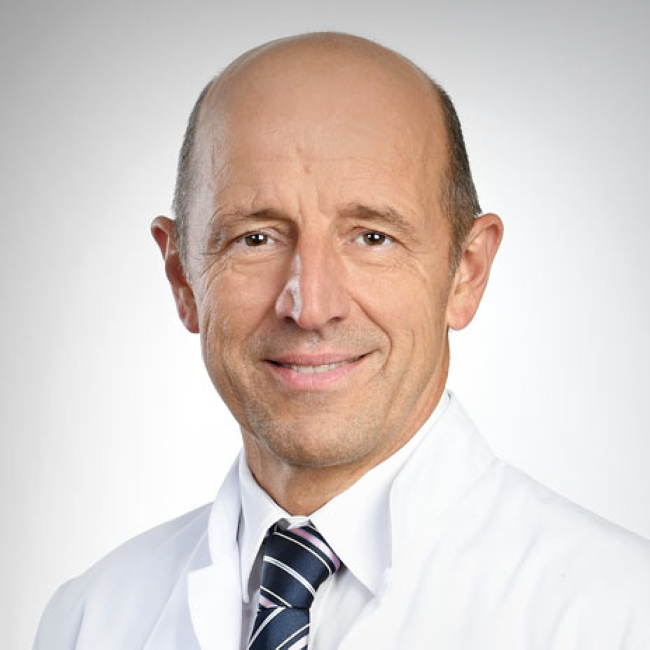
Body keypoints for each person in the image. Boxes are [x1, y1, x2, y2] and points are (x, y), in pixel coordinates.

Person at [34, 32, 650, 649]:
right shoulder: (90, 620)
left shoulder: (621, 615)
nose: (311, 307)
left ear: (466, 272)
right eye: (256, 238)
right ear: (182, 277)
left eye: (372, 237)